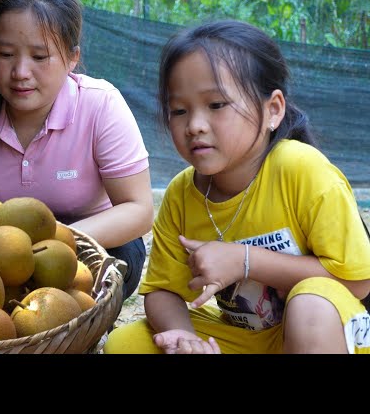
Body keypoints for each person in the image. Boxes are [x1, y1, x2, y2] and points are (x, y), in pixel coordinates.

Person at [103, 19, 370, 353]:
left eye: (216, 105)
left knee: (311, 306)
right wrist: (187, 338)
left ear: (272, 109)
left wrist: (245, 261)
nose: (195, 126)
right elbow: (162, 291)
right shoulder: (182, 192)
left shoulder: (303, 170)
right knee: (127, 343)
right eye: (179, 110)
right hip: (243, 339)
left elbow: (357, 281)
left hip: (325, 333)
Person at [0, 0, 154, 300]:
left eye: (39, 56)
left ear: (72, 58)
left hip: (92, 240)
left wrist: (59, 241)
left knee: (111, 266)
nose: (20, 72)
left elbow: (139, 210)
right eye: (6, 54)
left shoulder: (101, 105)